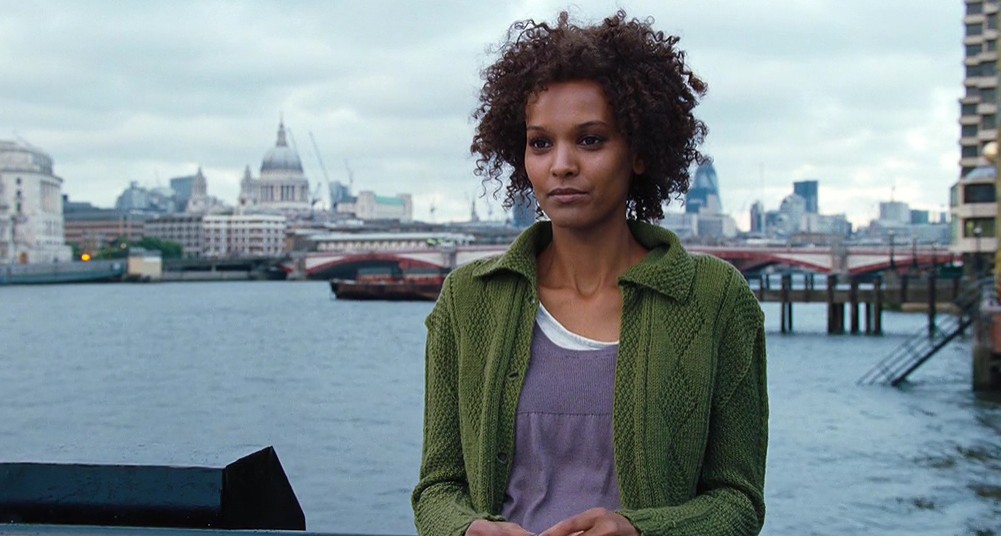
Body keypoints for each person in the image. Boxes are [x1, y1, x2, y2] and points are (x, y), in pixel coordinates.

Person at [412, 10, 768, 536]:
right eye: (540, 143)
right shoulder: (468, 299)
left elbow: (739, 504)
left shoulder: (714, 298)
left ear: (639, 152)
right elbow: (437, 489)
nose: (561, 164)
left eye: (591, 140)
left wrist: (640, 531)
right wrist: (467, 529)